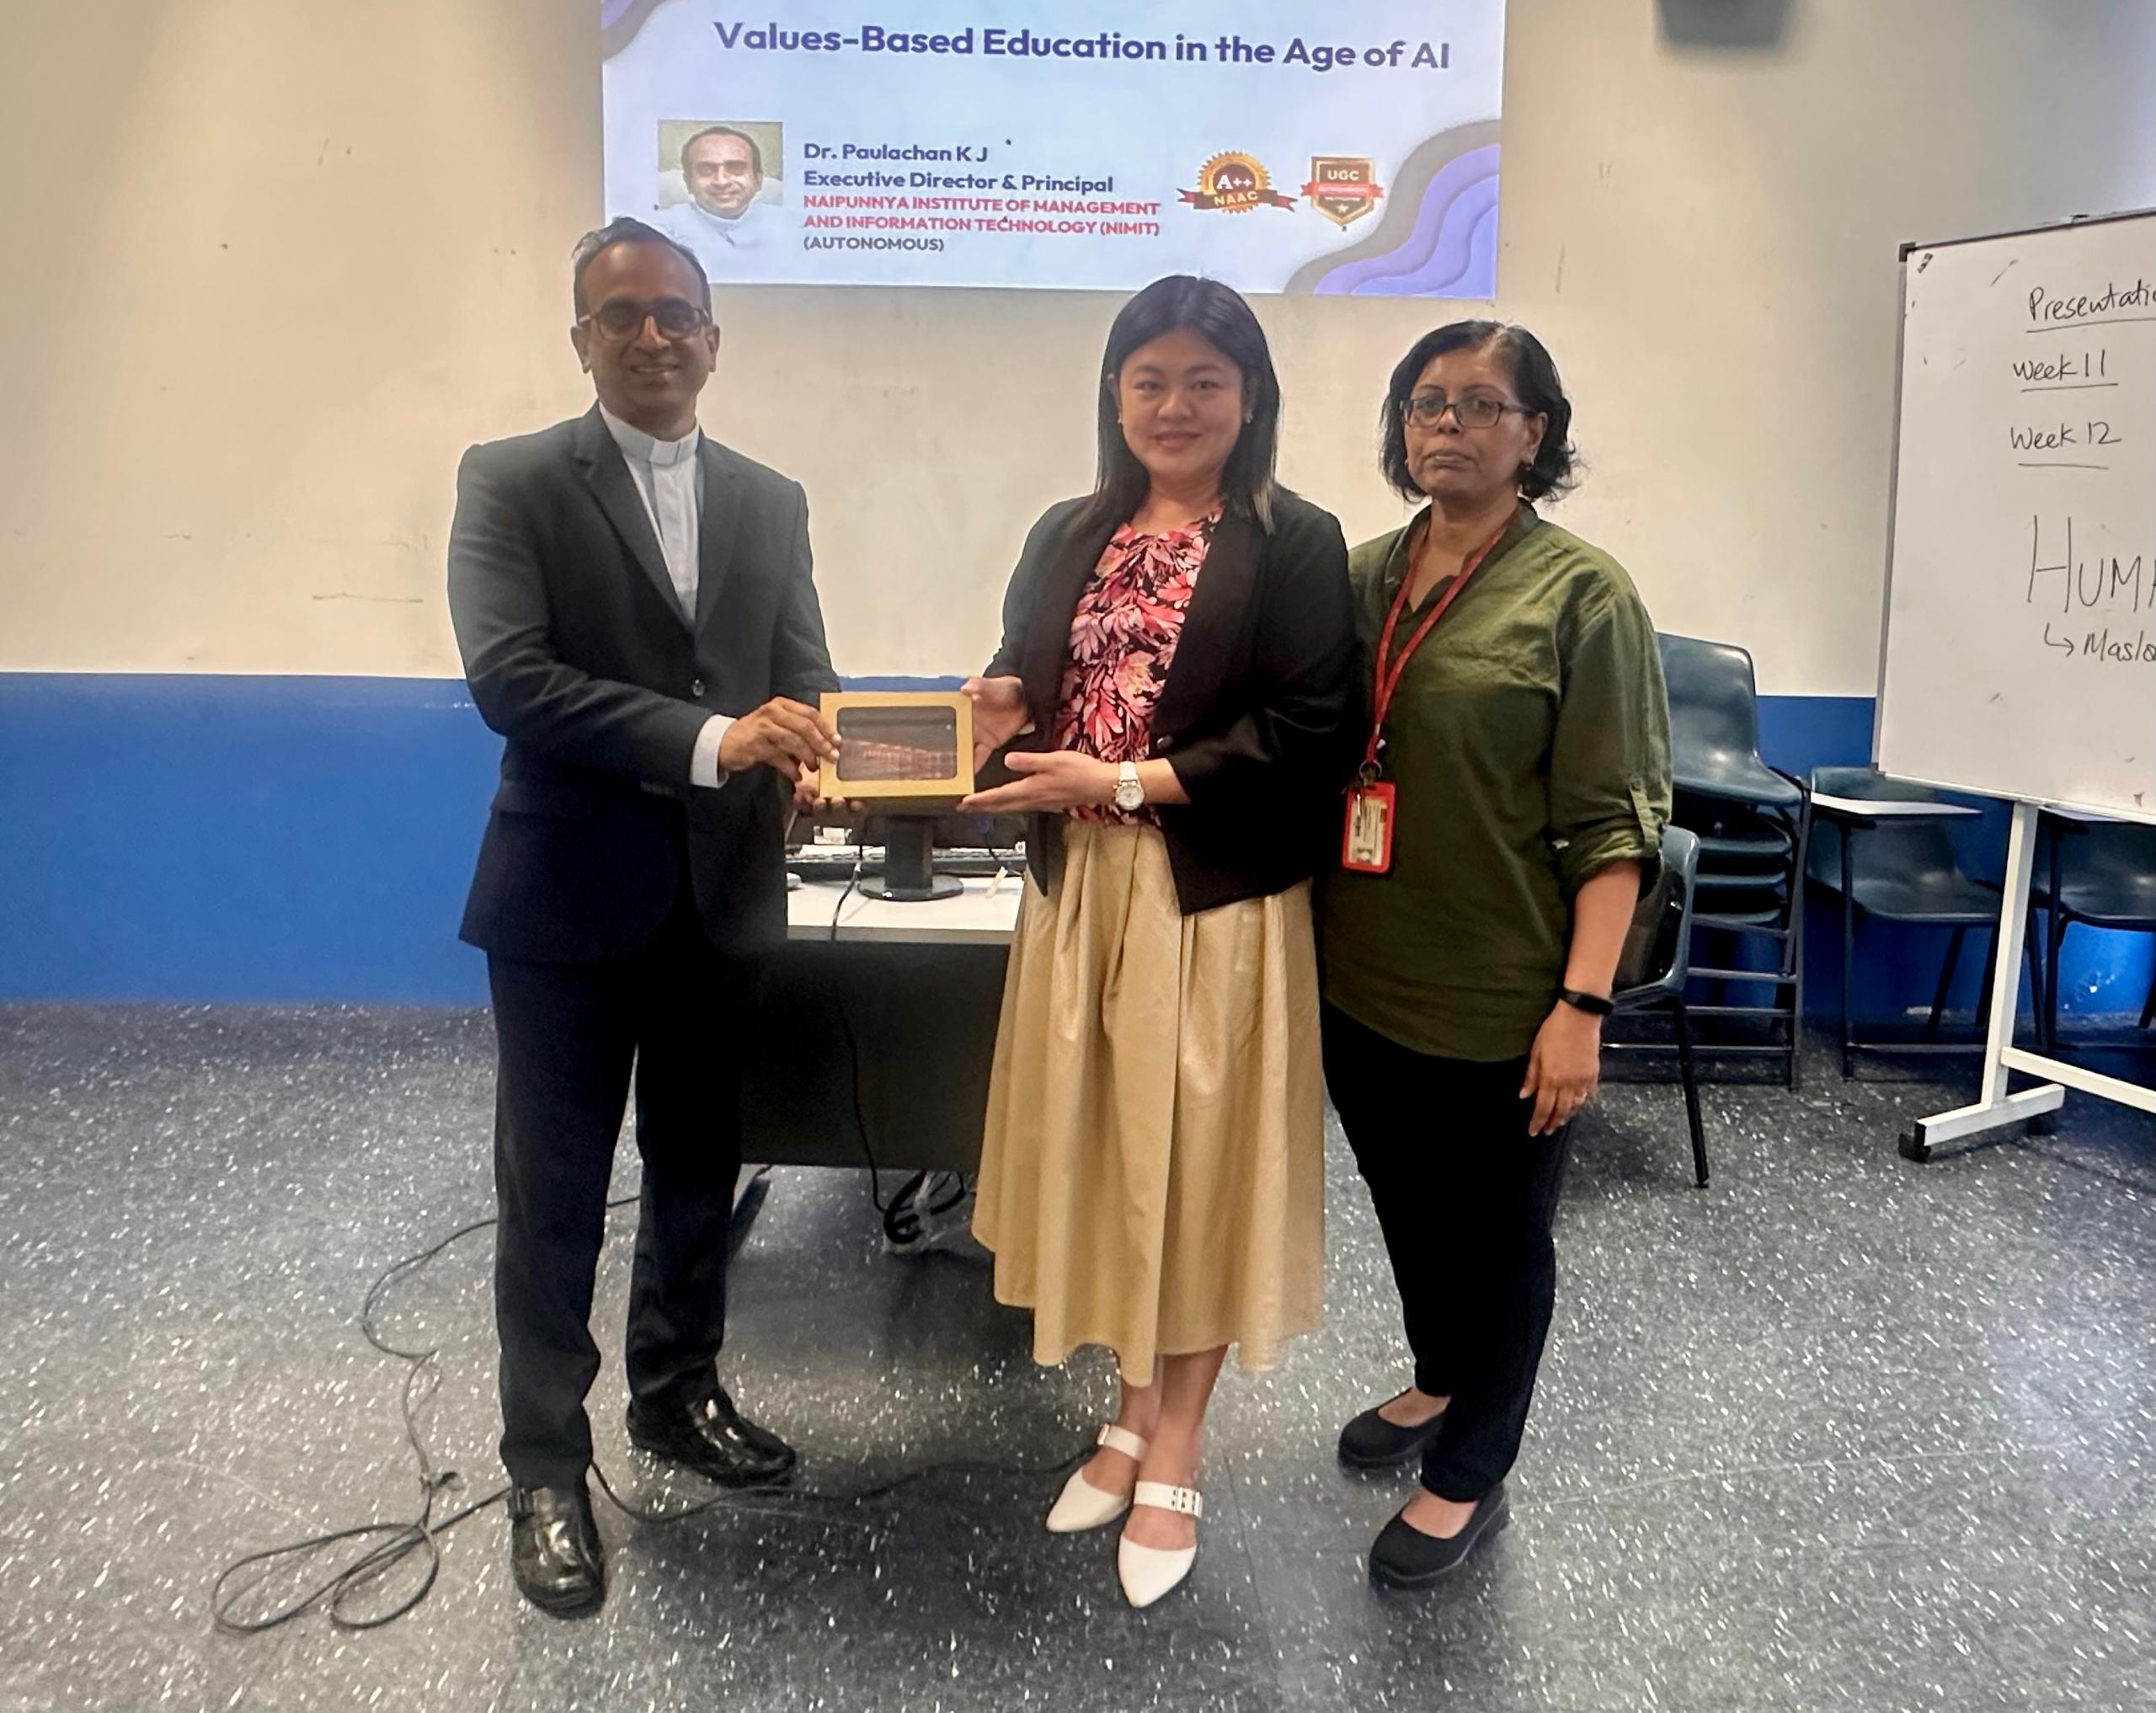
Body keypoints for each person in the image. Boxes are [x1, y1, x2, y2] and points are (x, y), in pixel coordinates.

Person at [446, 216, 841, 1616]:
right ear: (584, 341)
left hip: (720, 897)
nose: (654, 334)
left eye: (677, 311)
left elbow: (806, 668)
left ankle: (679, 1394)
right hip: (563, 901)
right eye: (623, 316)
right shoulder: (510, 482)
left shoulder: (770, 496)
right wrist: (717, 737)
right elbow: (513, 680)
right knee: (551, 1197)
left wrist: (837, 755)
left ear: (714, 336)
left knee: (695, 1174)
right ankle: (546, 1462)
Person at [959, 275, 1359, 1609]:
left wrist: (1125, 784)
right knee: (1116, 1152)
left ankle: (1177, 1437)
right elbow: (1032, 676)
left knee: (1193, 1164)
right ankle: (1129, 1409)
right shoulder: (1071, 526)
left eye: (1204, 380)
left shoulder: (1294, 539)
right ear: (1114, 395)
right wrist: (999, 699)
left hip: (1212, 898)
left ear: (1250, 397)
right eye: (1149, 380)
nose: (1175, 406)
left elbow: (1309, 738)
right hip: (1081, 895)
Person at [1316, 321, 1672, 1588]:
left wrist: (1582, 1003)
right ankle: (1438, 1374)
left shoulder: (1585, 594)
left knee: (1504, 1238)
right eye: (1425, 403)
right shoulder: (1355, 575)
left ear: (1537, 432)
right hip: (1358, 979)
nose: (1447, 425)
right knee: (1409, 1211)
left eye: (1481, 403)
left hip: (1508, 996)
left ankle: (1472, 1469)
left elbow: (1616, 825)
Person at [654, 125, 781, 264]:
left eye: (736, 168)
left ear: (758, 180)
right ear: (688, 182)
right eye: (706, 170)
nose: (721, 182)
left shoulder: (789, 224)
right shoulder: (660, 228)